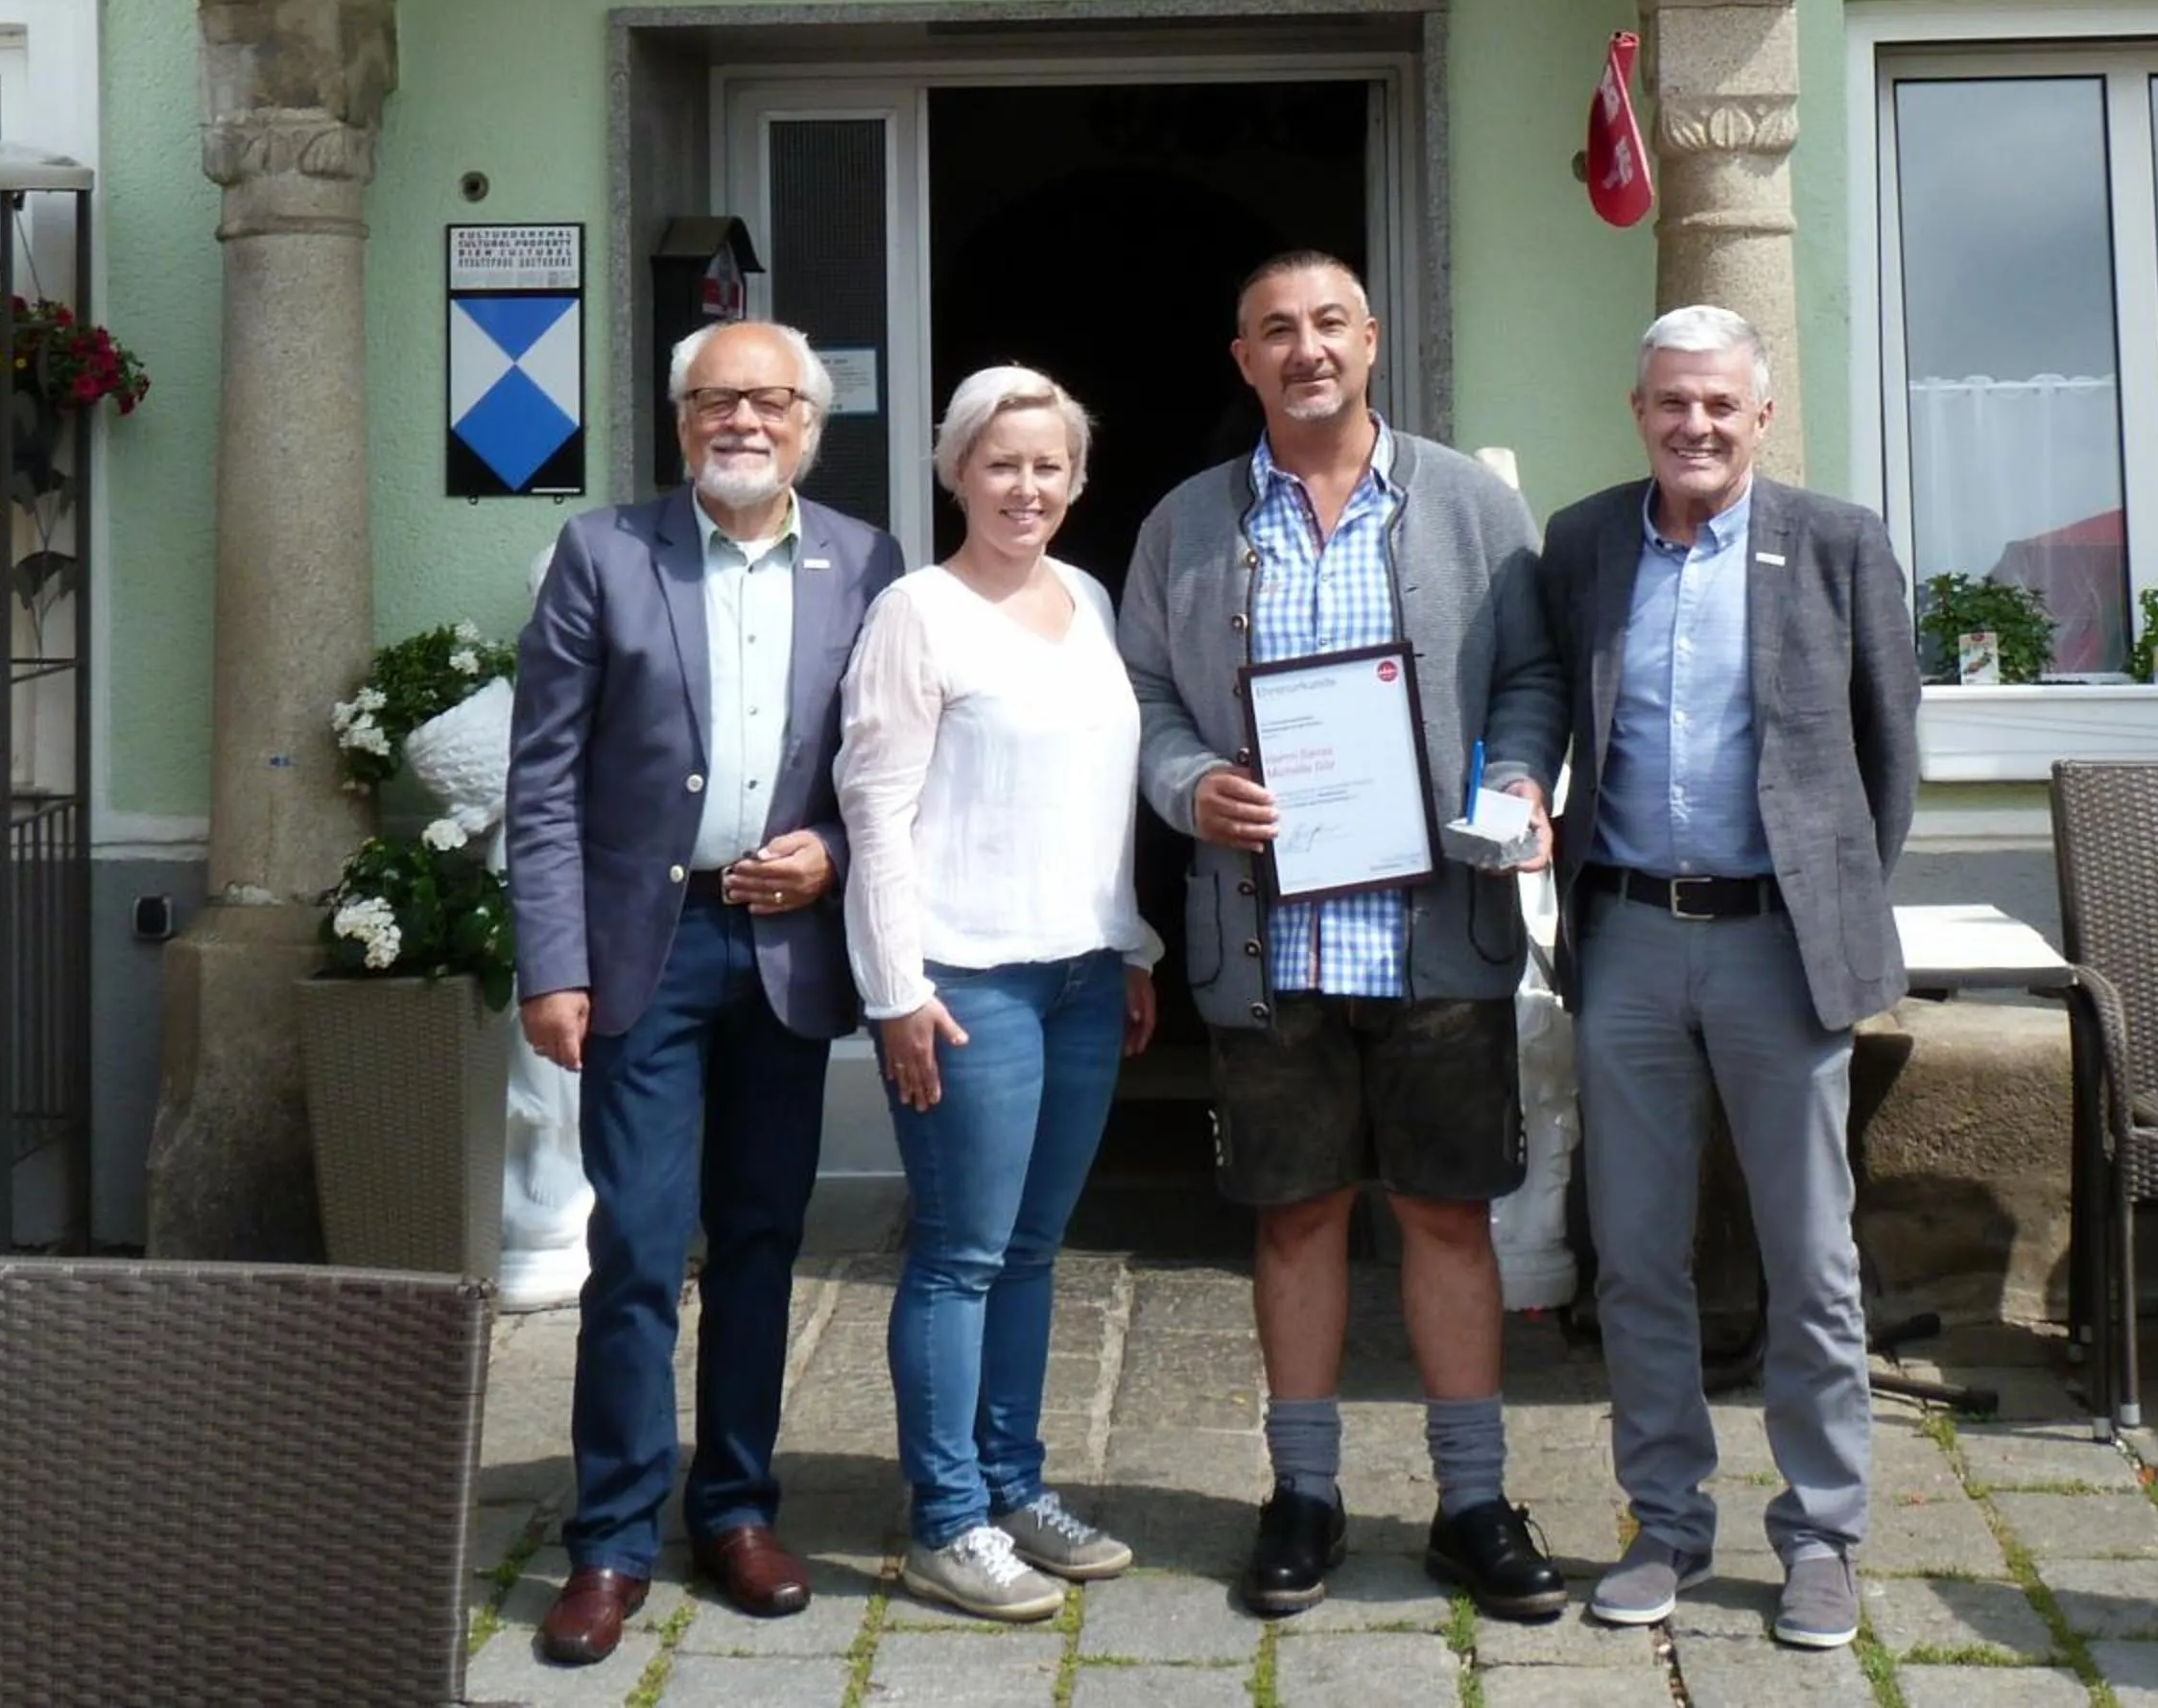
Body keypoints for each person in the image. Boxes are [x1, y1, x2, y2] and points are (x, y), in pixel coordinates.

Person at [1120, 251, 1568, 1622]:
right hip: (1269, 949)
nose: (1306, 349)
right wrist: (1189, 784)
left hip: (1436, 935)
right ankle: (1302, 1496)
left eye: (1328, 325)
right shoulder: (1189, 525)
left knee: (1445, 1216)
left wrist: (1517, 782)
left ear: (1371, 341)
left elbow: (1534, 676)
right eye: (1276, 332)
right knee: (1297, 1217)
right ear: (1242, 359)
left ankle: (1473, 1502)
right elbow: (1139, 694)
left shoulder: (1470, 505)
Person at [506, 320, 904, 1666]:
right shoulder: (603, 555)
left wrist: (837, 854)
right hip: (647, 946)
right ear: (681, 423)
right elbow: (543, 779)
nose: (744, 419)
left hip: (784, 949)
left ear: (810, 425)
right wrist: (552, 963)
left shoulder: (866, 561)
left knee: (758, 1242)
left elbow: (892, 768)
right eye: (717, 400)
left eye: (771, 401)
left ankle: (735, 1507)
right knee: (635, 1250)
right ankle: (612, 1536)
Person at [1539, 304, 1918, 1653]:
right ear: (1637, 409)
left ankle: (1822, 1537)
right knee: (1635, 1254)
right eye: (1670, 403)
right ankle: (1666, 1523)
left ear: (1760, 416)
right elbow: (1549, 710)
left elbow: (1888, 763)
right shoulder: (1583, 543)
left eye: (1719, 405)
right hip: (1632, 936)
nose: (1693, 425)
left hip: (1778, 942)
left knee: (1810, 1260)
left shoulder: (1835, 543)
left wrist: (1824, 910)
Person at [838, 367, 1159, 1622]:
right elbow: (875, 809)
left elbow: (1095, 792)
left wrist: (1127, 946)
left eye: (1048, 466)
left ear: (1076, 481)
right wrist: (896, 991)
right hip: (965, 981)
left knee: (1031, 1251)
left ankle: (1015, 1486)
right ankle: (948, 1518)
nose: (1025, 487)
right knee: (961, 1255)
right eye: (1000, 463)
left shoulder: (1085, 597)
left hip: (1081, 973)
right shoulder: (918, 613)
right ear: (955, 471)